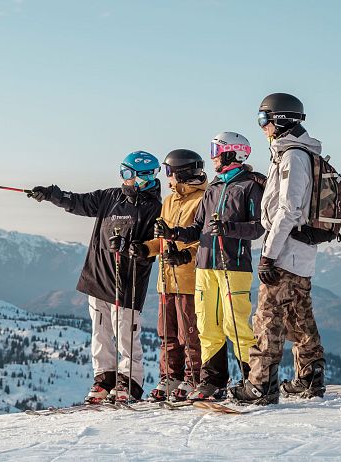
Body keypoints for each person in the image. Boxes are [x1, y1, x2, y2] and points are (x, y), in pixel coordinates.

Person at [29, 151, 162, 403]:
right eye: (122, 173)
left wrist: (133, 246)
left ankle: (129, 381)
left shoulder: (154, 207)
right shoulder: (110, 197)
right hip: (98, 274)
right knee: (100, 331)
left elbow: (153, 246)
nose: (124, 180)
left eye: (128, 174)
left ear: (144, 176)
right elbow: (77, 201)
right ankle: (105, 379)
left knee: (125, 332)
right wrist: (50, 194)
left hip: (127, 278)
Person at [228, 93, 326, 405]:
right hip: (299, 251)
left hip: (286, 250)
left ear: (280, 119)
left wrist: (268, 254)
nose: (262, 126)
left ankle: (260, 385)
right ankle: (311, 377)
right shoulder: (295, 154)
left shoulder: (293, 156)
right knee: (299, 316)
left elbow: (288, 210)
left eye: (263, 119)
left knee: (267, 318)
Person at [155, 132, 265, 401]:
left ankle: (255, 379)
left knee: (235, 324)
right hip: (204, 266)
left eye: (216, 149)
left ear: (232, 153)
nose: (212, 155)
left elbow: (260, 226)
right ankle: (212, 381)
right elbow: (196, 229)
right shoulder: (214, 188)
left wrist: (229, 228)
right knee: (206, 324)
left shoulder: (250, 186)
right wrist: (173, 233)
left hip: (233, 265)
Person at [129, 149, 207, 402]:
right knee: (167, 333)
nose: (167, 178)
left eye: (168, 172)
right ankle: (170, 376)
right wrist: (145, 248)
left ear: (180, 172)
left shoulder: (202, 200)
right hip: (166, 280)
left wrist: (186, 256)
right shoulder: (169, 201)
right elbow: (161, 239)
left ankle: (194, 377)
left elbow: (205, 240)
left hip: (189, 280)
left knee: (190, 334)